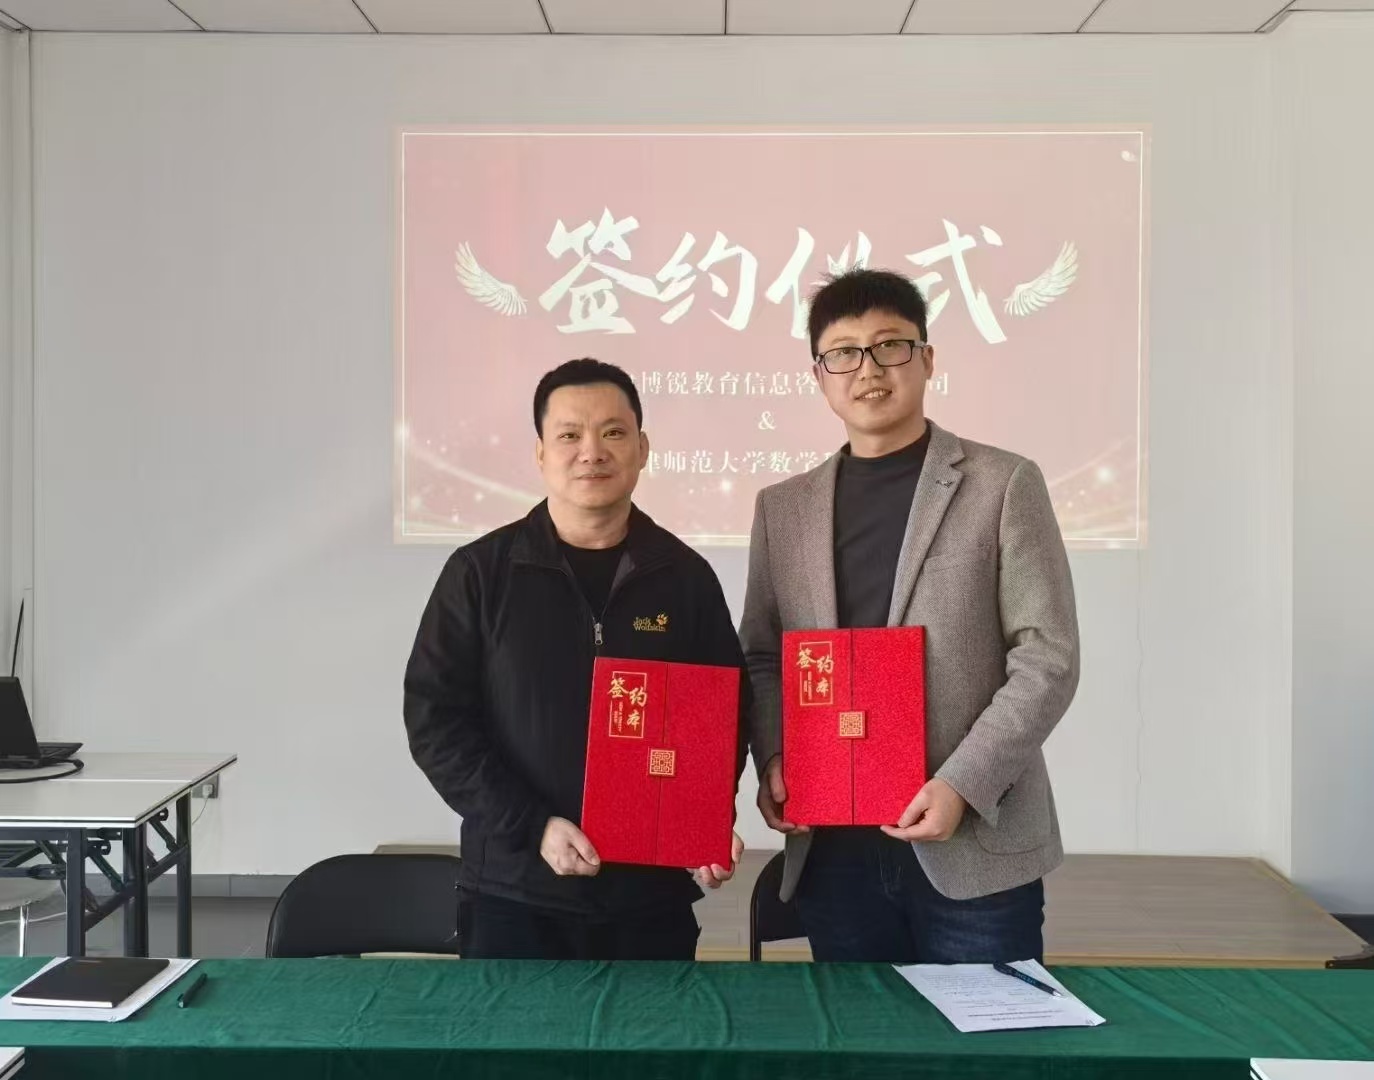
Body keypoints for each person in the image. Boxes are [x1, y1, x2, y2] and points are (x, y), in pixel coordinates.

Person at [740, 269, 1079, 964]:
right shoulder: (783, 508)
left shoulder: (1003, 483)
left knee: (986, 1034)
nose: (868, 369)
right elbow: (764, 656)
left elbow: (1047, 656)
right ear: (819, 375)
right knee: (858, 1031)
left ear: (927, 359)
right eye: (844, 352)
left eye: (890, 345)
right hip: (834, 848)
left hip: (971, 844)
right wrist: (774, 756)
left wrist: (962, 785)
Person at [405, 358, 747, 961]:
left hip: (648, 899)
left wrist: (700, 820)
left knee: (652, 1029)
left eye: (613, 432)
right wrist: (531, 826)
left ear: (642, 449)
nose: (592, 451)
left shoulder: (685, 578)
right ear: (541, 453)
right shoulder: (480, 574)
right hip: (514, 891)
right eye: (569, 435)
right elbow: (436, 724)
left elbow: (725, 717)